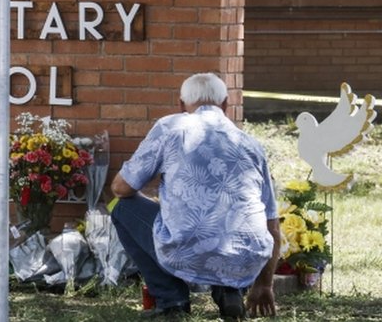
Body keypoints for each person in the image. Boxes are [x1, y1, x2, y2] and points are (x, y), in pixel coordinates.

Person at [110, 73, 280, 320]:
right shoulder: (251, 144)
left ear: (181, 105)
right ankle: (230, 290)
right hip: (245, 258)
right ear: (225, 105)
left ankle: (171, 301)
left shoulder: (171, 127)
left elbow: (121, 189)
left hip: (186, 250)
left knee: (121, 207)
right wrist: (265, 285)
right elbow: (272, 224)